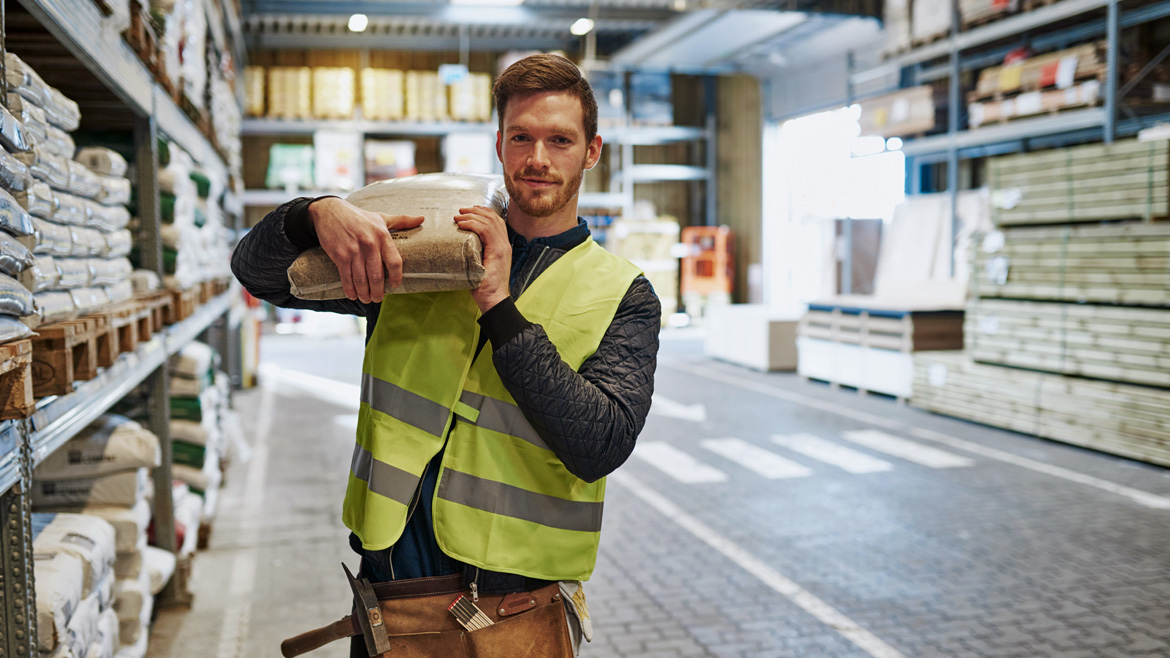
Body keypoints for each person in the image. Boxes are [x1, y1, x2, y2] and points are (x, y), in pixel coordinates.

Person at [232, 53, 661, 655]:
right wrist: (313, 215)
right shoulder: (430, 251)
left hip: (515, 610)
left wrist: (499, 305)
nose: (538, 159)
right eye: (522, 138)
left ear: (591, 151)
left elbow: (601, 443)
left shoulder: (624, 292)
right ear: (499, 144)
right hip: (392, 601)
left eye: (559, 140)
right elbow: (260, 274)